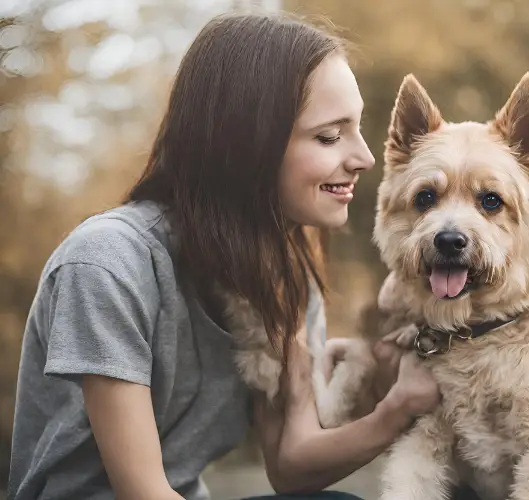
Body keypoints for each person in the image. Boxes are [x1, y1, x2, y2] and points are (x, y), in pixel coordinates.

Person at [8, 12, 440, 500]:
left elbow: (292, 465)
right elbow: (142, 492)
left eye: (357, 129)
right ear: (247, 142)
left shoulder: (285, 276)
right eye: (329, 136)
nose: (364, 157)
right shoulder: (108, 264)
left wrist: (398, 406)